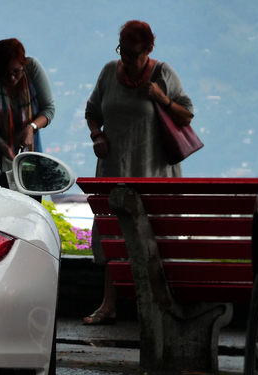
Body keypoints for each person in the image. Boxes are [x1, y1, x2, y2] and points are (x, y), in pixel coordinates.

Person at [83, 20, 195, 325]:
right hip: (114, 168)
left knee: (155, 238)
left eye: (132, 53)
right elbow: (92, 110)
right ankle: (109, 304)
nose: (125, 58)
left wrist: (161, 97)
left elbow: (187, 115)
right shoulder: (109, 71)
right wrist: (98, 135)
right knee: (113, 235)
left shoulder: (163, 73)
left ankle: (159, 306)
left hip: (152, 170)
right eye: (121, 49)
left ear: (148, 50)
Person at [0, 38, 55, 176]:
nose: (12, 78)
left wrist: (31, 128)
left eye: (16, 71)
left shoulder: (32, 69)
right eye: (5, 74)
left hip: (32, 153)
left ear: (23, 64)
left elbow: (48, 109)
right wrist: (3, 146)